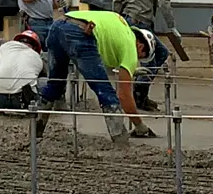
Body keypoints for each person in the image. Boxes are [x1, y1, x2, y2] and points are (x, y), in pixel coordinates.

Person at [33, 9, 158, 139]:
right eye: (141, 57)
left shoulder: (120, 26)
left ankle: (35, 132)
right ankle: (120, 141)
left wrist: (131, 71)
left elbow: (112, 56)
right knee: (106, 92)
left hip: (57, 25)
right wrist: (140, 126)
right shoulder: (131, 48)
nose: (137, 60)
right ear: (141, 46)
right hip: (80, 33)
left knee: (55, 85)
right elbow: (124, 96)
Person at [112, 0, 187, 112]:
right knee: (157, 55)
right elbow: (164, 3)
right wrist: (172, 26)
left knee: (132, 58)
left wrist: (116, 20)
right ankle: (139, 95)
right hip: (142, 24)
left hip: (125, 21)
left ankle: (137, 95)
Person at [0, 30, 46, 109]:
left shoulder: (4, 45)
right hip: (23, 101)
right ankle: (41, 106)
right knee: (44, 81)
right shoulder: (37, 57)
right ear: (35, 47)